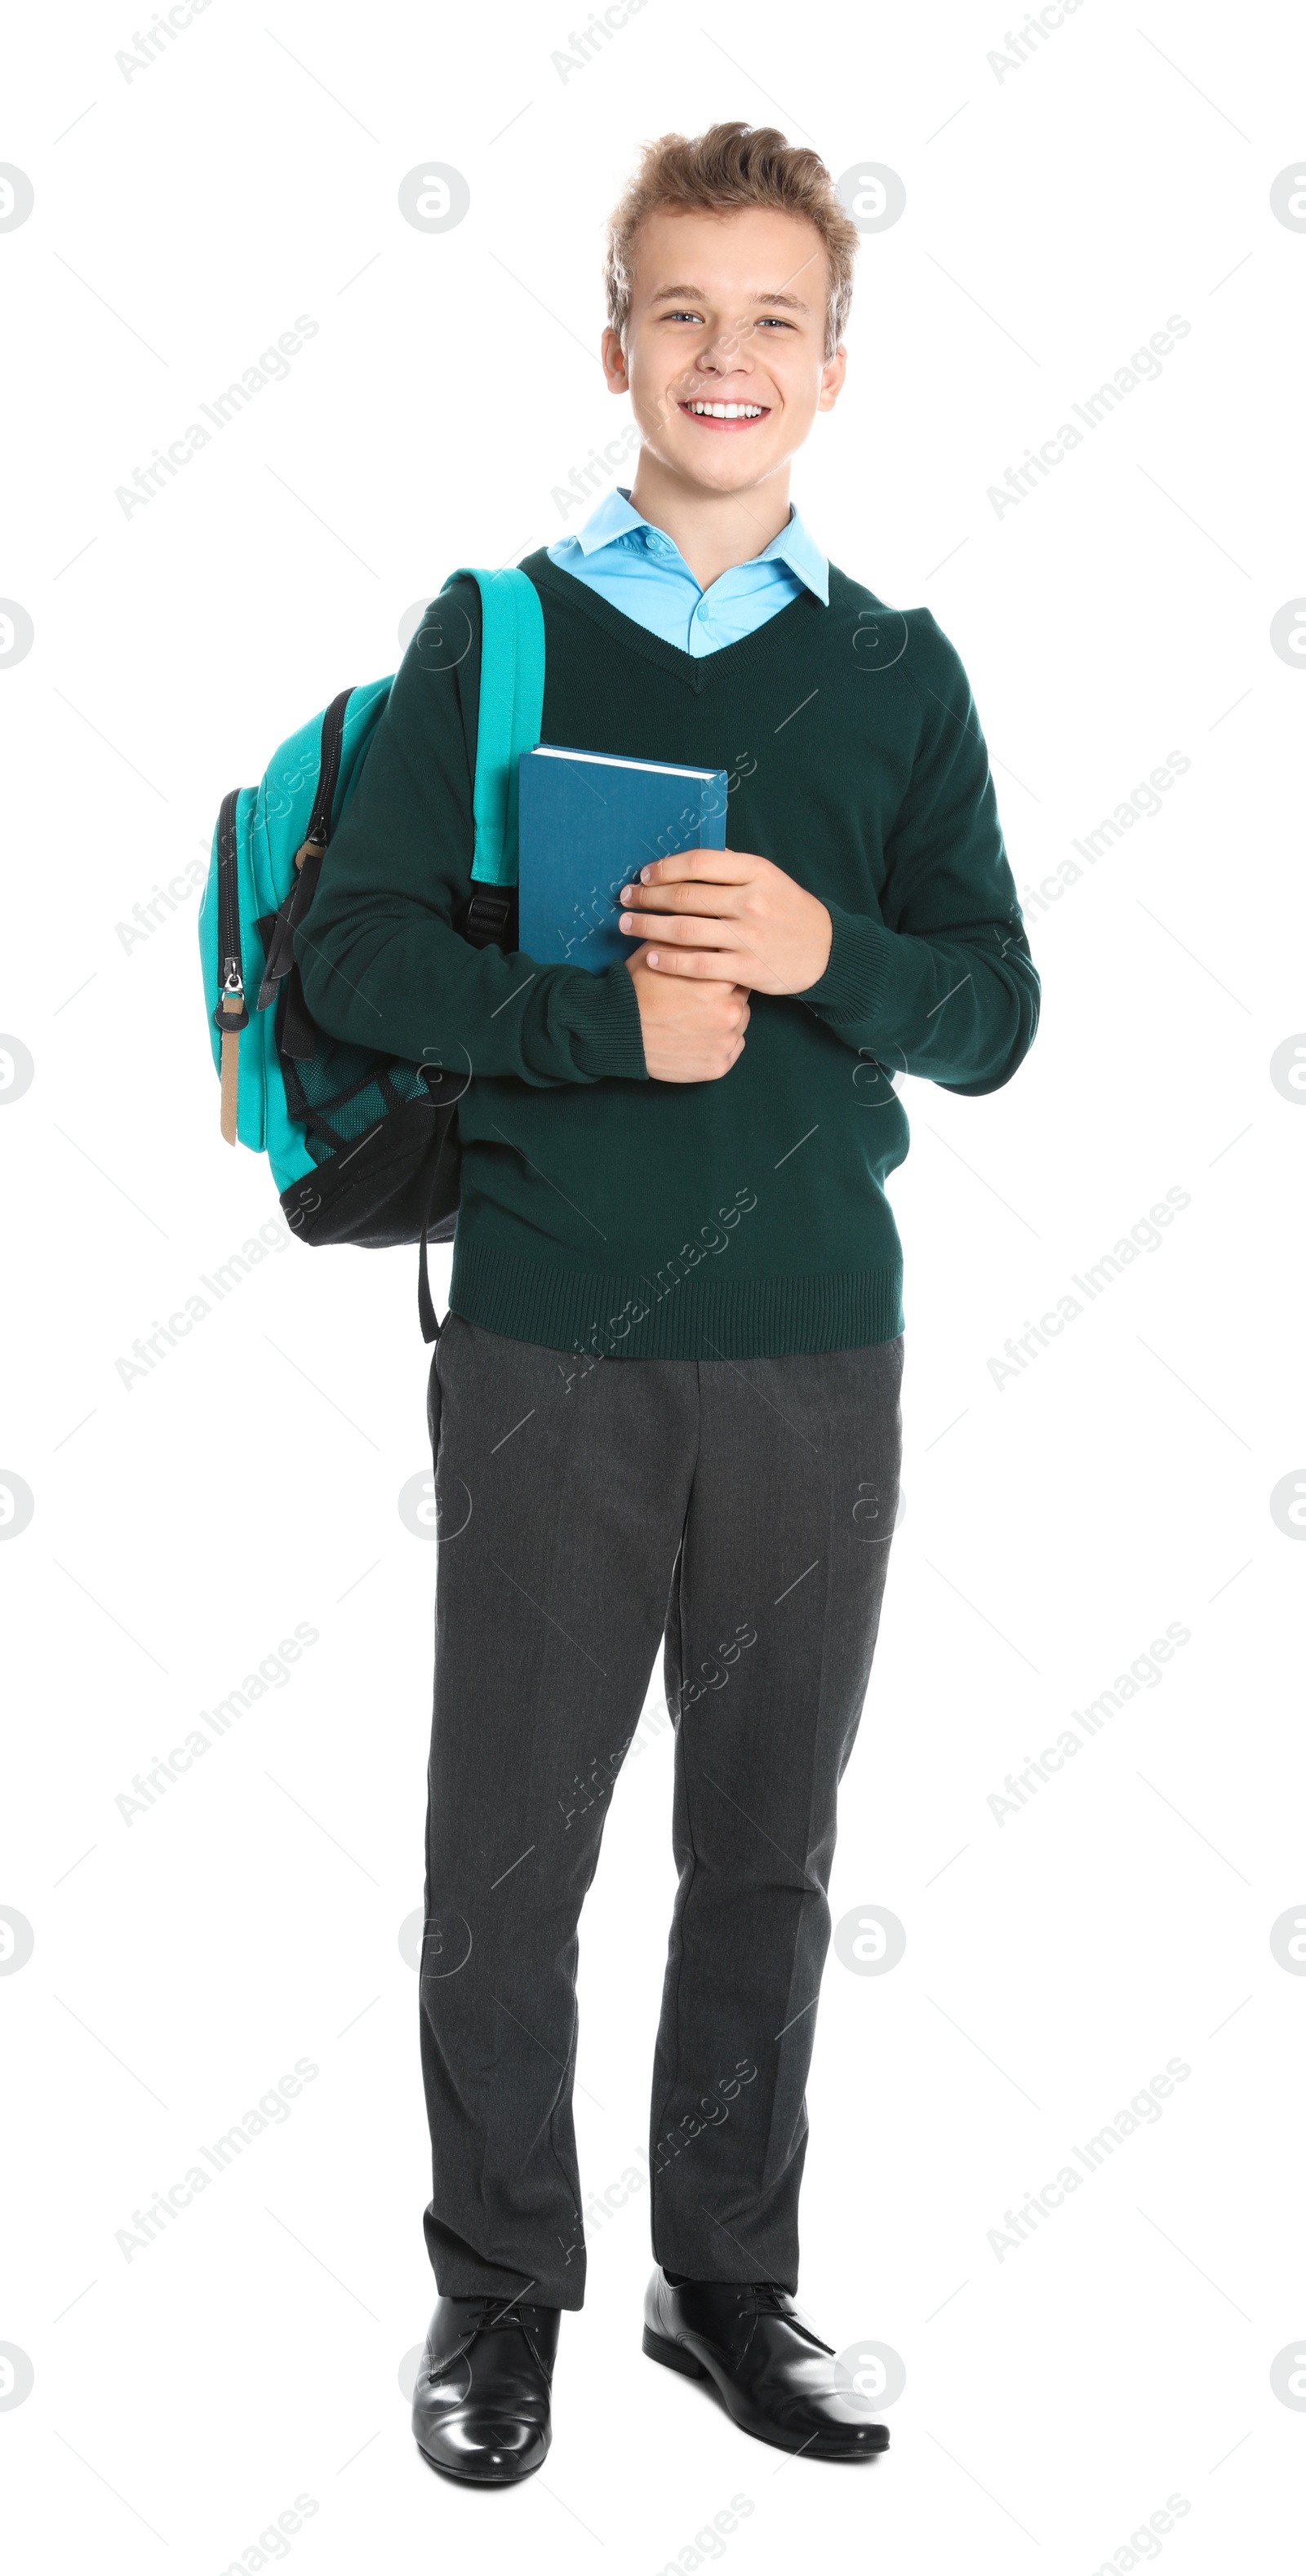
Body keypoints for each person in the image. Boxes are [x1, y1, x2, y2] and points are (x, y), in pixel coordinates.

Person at [295, 118, 1039, 2483]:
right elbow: (359, 955)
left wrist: (839, 959)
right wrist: (592, 1022)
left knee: (769, 1843)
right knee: (509, 1841)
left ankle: (726, 2288)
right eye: (682, 313)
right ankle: (501, 2285)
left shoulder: (901, 678)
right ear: (614, 345)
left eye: (775, 320)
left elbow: (999, 1012)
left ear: (836, 367)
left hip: (821, 1345)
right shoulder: (491, 637)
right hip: (548, 1337)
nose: (727, 357)